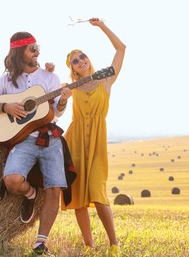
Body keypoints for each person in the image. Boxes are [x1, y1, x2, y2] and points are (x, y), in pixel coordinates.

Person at [0, 31, 72, 256]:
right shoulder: (6, 80)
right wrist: (4, 107)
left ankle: (41, 243)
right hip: (23, 140)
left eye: (38, 47)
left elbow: (55, 111)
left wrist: (63, 100)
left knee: (54, 189)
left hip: (50, 139)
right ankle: (30, 195)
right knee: (12, 181)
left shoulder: (49, 78)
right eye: (32, 49)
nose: (37, 52)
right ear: (20, 53)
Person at [62, 18, 126, 256]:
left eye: (82, 56)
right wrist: (60, 94)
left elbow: (121, 49)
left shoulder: (106, 80)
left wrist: (102, 27)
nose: (80, 61)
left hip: (97, 141)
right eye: (75, 61)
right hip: (75, 141)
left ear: (88, 60)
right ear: (73, 69)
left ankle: (114, 245)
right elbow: (52, 95)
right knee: (78, 196)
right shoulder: (71, 87)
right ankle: (89, 246)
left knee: (98, 193)